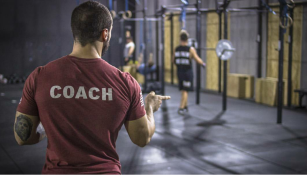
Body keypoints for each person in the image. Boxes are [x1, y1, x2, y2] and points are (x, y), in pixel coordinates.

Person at [13, 1, 170, 175]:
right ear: (105, 34)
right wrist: (150, 107)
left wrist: (47, 123)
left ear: (75, 32)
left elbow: (23, 137)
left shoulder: (40, 76)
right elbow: (142, 138)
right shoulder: (126, 82)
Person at [173, 30, 206, 115]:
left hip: (179, 73)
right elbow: (197, 59)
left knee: (183, 90)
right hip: (187, 73)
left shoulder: (176, 49)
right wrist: (203, 64)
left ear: (180, 39)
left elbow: (173, 61)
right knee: (185, 90)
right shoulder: (190, 49)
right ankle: (181, 107)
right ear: (187, 39)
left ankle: (185, 106)